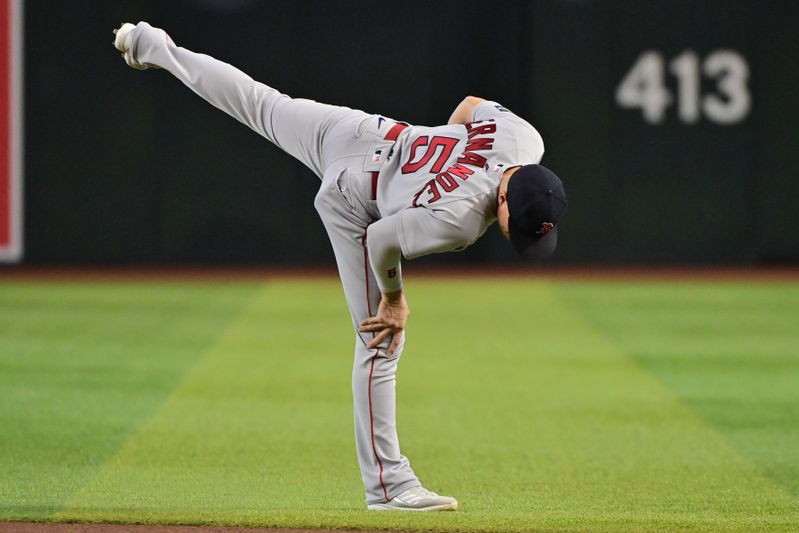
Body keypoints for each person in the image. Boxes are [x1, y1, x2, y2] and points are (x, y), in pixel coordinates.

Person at [112, 21, 567, 512]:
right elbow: (380, 237)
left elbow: (471, 107)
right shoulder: (460, 220)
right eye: (512, 223)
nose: (509, 232)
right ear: (505, 195)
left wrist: (438, 162)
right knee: (382, 339)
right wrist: (394, 300)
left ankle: (149, 44)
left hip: (363, 134)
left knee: (260, 102)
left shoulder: (522, 136)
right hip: (353, 201)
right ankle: (389, 487)